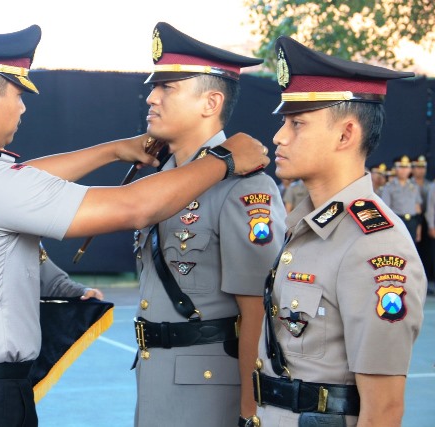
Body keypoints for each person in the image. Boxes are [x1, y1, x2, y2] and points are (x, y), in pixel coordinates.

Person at [0, 25, 270, 427]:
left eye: (168, 88)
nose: (22, 108)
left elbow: (20, 176)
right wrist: (225, 160)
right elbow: (134, 207)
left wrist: (111, 150)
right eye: (18, 95)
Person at [253, 36, 426, 427]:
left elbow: (382, 410)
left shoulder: (373, 245)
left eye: (296, 123)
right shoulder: (305, 226)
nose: (279, 136)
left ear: (346, 135)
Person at [131, 22, 286, 427]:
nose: (151, 97)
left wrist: (250, 412)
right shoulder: (159, 179)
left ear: (210, 102)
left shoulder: (244, 186)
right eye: (154, 87)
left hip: (209, 393)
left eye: (168, 88)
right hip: (155, 380)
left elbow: (257, 310)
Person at [381, 155, 422, 242]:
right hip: (397, 221)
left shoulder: (414, 186)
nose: (404, 170)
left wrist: (419, 226)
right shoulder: (389, 187)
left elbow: (417, 208)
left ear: (410, 169)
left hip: (412, 222)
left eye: (407, 167)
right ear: (395, 168)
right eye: (401, 167)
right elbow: (385, 209)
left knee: (413, 249)